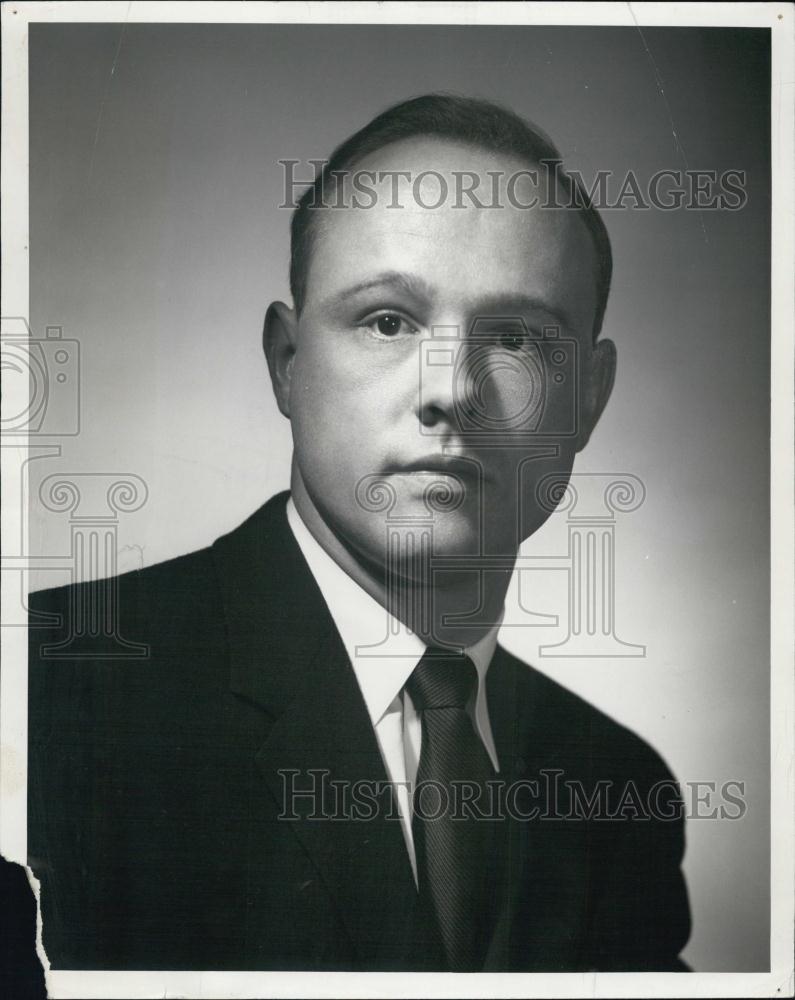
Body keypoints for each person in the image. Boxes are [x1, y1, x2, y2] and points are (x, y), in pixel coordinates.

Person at [28, 94, 691, 972]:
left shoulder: (616, 787)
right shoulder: (50, 693)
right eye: (387, 320)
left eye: (518, 339)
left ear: (589, 400)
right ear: (286, 364)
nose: (451, 389)